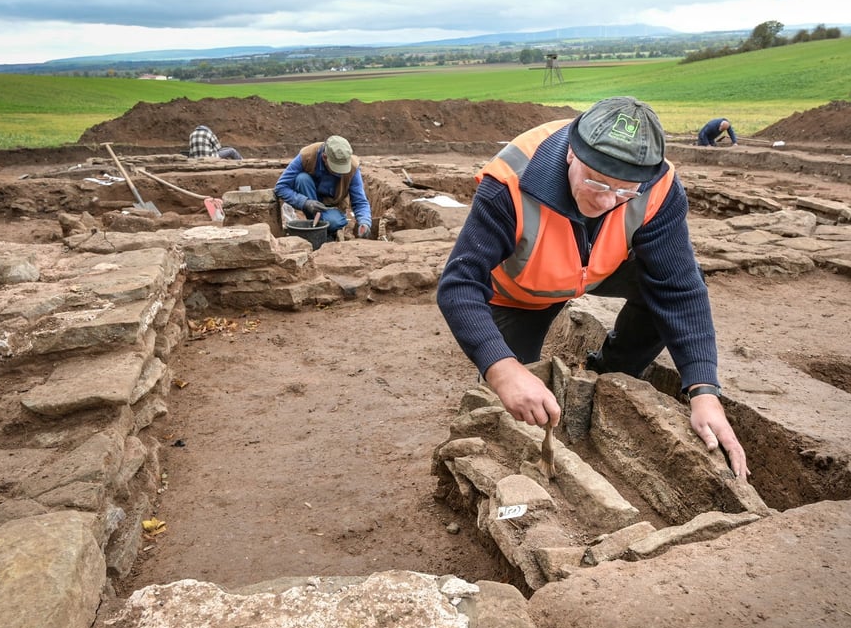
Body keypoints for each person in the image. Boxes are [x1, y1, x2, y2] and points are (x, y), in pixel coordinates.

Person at [436, 96, 749, 480]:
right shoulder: (511, 180)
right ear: (571, 152)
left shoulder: (657, 186)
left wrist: (704, 390)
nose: (605, 200)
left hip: (597, 269)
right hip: (519, 292)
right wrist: (503, 371)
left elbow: (679, 288)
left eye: (624, 191)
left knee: (666, 289)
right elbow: (459, 285)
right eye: (596, 181)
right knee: (512, 409)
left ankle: (611, 373)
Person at [273, 135, 372, 239]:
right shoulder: (307, 155)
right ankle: (317, 224)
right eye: (336, 168)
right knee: (302, 179)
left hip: (333, 208)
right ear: (324, 157)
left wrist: (364, 222)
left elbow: (360, 201)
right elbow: (281, 187)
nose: (338, 173)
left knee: (334, 222)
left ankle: (322, 228)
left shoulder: (352, 167)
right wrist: (305, 202)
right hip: (310, 199)